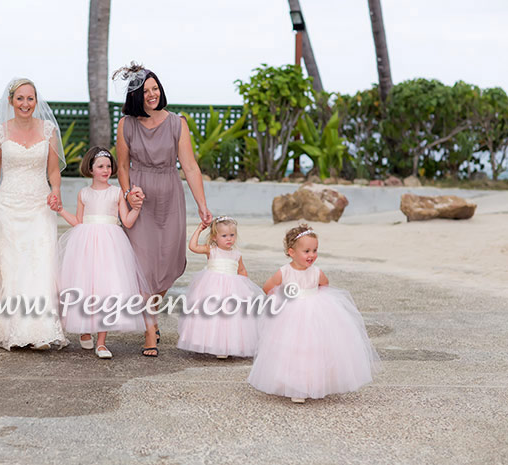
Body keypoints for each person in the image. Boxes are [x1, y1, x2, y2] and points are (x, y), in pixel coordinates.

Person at [113, 62, 212, 357]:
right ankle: (149, 330)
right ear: (135, 96)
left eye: (155, 88)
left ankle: (150, 315)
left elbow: (191, 167)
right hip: (140, 201)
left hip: (170, 197)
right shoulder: (126, 125)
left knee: (169, 262)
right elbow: (121, 167)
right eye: (146, 91)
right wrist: (129, 194)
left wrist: (202, 205)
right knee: (142, 265)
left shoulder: (176, 123)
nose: (152, 94)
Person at [0, 78, 67, 350]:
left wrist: (56, 192)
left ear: (36, 101)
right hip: (8, 205)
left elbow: (53, 171)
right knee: (13, 265)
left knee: (40, 262)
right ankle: (13, 328)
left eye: (30, 99)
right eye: (20, 99)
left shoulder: (49, 131)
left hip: (40, 204)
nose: (25, 104)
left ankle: (39, 330)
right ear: (11, 101)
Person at [248, 224, 381, 403]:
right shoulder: (284, 272)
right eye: (306, 251)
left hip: (314, 312)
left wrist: (315, 297)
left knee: (314, 348)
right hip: (290, 313)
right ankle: (294, 384)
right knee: (292, 348)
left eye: (314, 250)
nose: (311, 255)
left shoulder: (316, 272)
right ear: (291, 252)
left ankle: (315, 382)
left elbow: (324, 284)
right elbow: (268, 287)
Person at [56, 147, 151, 358]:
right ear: (90, 169)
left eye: (108, 166)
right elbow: (79, 221)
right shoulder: (84, 193)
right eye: (100, 166)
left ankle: (101, 342)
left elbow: (125, 221)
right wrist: (61, 210)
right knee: (85, 285)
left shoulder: (116, 192)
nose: (105, 170)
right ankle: (84, 329)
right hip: (86, 243)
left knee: (106, 288)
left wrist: (136, 208)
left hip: (110, 244)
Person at [177, 216, 261, 358]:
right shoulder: (212, 250)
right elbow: (193, 247)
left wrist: (245, 288)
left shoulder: (236, 254)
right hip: (212, 288)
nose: (229, 239)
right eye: (224, 236)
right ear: (215, 237)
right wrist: (199, 229)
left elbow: (241, 271)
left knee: (230, 318)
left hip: (232, 289)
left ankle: (226, 346)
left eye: (232, 235)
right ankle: (209, 342)